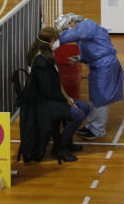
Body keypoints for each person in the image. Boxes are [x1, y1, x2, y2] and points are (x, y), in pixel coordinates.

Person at [19, 26, 89, 163]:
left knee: (85, 107)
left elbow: (56, 83)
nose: (58, 42)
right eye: (55, 40)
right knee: (78, 114)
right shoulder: (40, 62)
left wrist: (68, 98)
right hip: (43, 103)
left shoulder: (48, 56)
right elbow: (47, 91)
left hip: (54, 97)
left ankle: (67, 141)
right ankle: (59, 147)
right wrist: (66, 101)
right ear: (48, 42)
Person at [57, 13, 124, 140]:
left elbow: (73, 35)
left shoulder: (87, 25)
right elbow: (93, 49)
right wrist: (79, 58)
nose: (68, 30)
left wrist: (55, 40)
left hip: (105, 66)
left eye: (67, 27)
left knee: (100, 98)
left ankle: (98, 130)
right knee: (94, 97)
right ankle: (91, 125)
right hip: (99, 66)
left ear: (73, 21)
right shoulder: (85, 29)